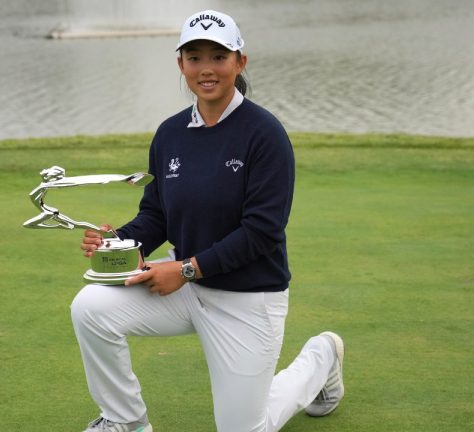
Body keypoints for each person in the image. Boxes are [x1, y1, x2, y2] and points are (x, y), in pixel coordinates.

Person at [72, 9, 345, 432]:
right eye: (194, 57)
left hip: (247, 299)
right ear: (180, 63)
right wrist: (120, 241)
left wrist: (184, 269)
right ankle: (125, 421)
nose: (206, 68)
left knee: (244, 428)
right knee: (90, 307)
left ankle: (319, 359)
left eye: (219, 56)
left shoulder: (264, 133)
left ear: (240, 62)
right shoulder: (170, 133)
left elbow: (262, 232)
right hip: (187, 289)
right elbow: (157, 215)